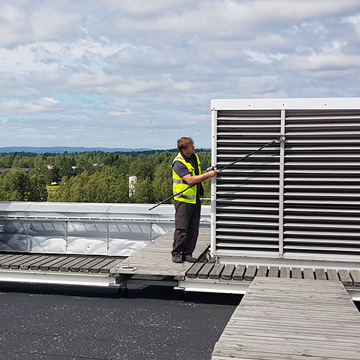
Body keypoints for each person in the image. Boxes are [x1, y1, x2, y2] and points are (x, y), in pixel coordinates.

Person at [171, 137, 219, 263]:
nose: (194, 147)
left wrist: (205, 172)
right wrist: (208, 175)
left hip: (194, 199)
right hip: (183, 200)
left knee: (193, 228)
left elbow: (196, 174)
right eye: (191, 146)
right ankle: (176, 253)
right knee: (182, 228)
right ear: (184, 150)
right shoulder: (178, 163)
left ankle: (188, 253)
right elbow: (190, 180)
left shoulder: (194, 157)